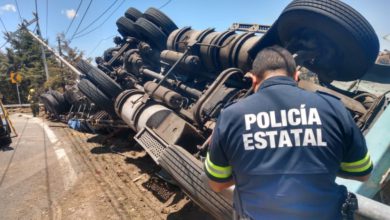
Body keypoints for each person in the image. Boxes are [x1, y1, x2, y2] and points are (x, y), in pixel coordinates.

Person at [204, 46, 373, 219]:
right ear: (296, 76)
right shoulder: (334, 108)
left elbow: (216, 183)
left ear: (254, 79)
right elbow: (362, 172)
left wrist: (248, 171)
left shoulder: (230, 116)